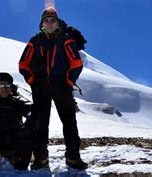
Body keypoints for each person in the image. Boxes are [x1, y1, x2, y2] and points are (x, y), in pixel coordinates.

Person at [18, 7, 88, 170]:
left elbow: (76, 63)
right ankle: (41, 159)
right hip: (40, 86)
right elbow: (23, 64)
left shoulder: (66, 40)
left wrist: (68, 82)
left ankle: (73, 158)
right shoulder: (34, 41)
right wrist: (33, 81)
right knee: (41, 124)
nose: (49, 23)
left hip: (62, 86)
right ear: (41, 24)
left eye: (52, 20)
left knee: (69, 123)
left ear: (57, 23)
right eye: (46, 20)